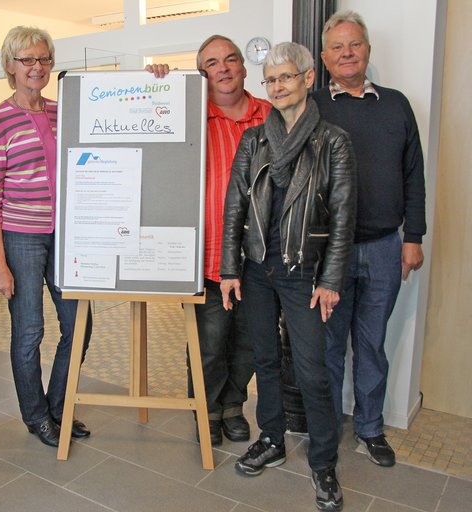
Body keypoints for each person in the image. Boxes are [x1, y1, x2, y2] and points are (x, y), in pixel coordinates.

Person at [220, 42, 356, 511]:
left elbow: (342, 217)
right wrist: (230, 269)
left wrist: (331, 279)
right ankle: (272, 438)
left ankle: (323, 462)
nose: (277, 86)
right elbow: (235, 207)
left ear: (308, 78)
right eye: (271, 79)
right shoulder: (254, 140)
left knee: (314, 371)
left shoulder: (332, 141)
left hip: (307, 274)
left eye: (286, 77)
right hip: (258, 269)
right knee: (266, 361)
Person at [312, 10, 427, 468]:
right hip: (328, 254)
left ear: (367, 50)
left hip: (384, 246)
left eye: (354, 44)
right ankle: (327, 429)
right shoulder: (313, 105)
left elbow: (413, 175)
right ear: (324, 58)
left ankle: (371, 428)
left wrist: (412, 237)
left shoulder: (397, 104)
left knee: (372, 342)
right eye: (337, 47)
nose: (347, 53)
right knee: (328, 345)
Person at [149, 35, 271, 447]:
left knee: (251, 342)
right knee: (211, 342)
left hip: (261, 257)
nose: (223, 69)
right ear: (203, 74)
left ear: (243, 66)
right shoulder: (188, 114)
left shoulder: (270, 115)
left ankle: (233, 405)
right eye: (212, 64)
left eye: (230, 60)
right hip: (209, 255)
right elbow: (149, 129)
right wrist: (157, 84)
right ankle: (207, 409)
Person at [0, 26, 92, 448]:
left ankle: (59, 407)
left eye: (44, 59)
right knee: (29, 331)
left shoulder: (62, 112)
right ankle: (35, 415)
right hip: (21, 237)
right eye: (27, 59)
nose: (37, 67)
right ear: (10, 65)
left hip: (67, 237)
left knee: (78, 325)